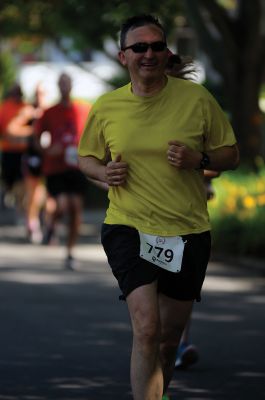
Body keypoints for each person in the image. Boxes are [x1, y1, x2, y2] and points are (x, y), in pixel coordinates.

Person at [78, 14, 239, 400]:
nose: (149, 54)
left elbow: (230, 155)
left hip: (187, 229)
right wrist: (104, 172)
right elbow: (86, 158)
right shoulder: (107, 106)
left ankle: (159, 392)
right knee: (147, 329)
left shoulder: (196, 99)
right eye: (140, 47)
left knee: (168, 341)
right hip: (127, 226)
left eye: (157, 46)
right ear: (123, 57)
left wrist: (197, 160)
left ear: (167, 52)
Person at [36, 72, 91, 269]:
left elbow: (95, 136)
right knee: (62, 205)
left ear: (72, 85)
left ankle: (70, 252)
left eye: (67, 83)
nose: (64, 86)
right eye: (61, 83)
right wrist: (48, 150)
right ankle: (51, 223)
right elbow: (36, 139)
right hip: (55, 167)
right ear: (58, 86)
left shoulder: (84, 109)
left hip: (77, 166)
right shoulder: (50, 112)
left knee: (76, 208)